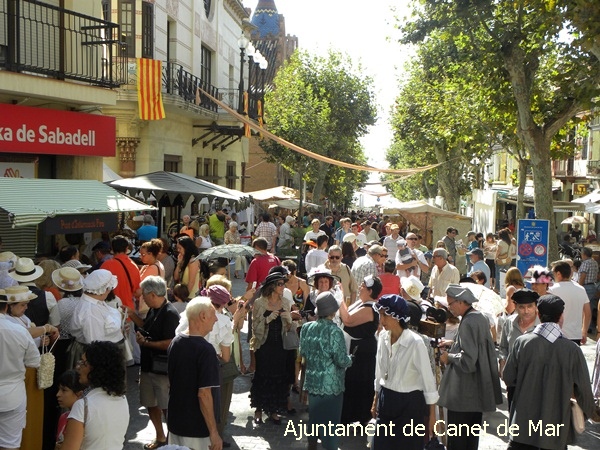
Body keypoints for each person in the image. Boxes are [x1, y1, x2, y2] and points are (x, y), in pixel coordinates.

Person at [503, 294, 594, 450]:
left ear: (538, 314)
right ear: (561, 316)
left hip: (523, 425)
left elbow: (508, 377)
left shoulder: (522, 343)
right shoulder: (572, 350)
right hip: (555, 428)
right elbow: (584, 390)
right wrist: (590, 412)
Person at [438, 284, 502, 450]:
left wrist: (448, 357)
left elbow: (468, 361)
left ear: (461, 302)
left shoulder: (468, 322)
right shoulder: (479, 317)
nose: (449, 308)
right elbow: (476, 347)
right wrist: (453, 343)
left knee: (458, 442)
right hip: (476, 394)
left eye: (450, 304)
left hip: (463, 394)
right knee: (471, 440)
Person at [371, 294, 438, 450]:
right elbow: (379, 371)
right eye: (380, 315)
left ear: (397, 316)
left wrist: (432, 417)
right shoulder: (382, 337)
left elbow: (428, 382)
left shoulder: (415, 343)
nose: (381, 320)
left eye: (385, 315)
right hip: (386, 399)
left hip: (409, 405)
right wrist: (376, 399)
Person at [127, 276, 179, 450]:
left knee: (166, 406)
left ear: (152, 294)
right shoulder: (154, 309)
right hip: (148, 366)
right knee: (150, 403)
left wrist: (146, 343)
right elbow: (146, 326)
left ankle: (172, 440)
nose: (142, 298)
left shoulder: (170, 313)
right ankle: (160, 436)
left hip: (162, 369)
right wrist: (132, 315)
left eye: (144, 295)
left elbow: (170, 342)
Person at [300, 292, 353, 450]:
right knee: (331, 424)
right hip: (331, 385)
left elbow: (303, 353)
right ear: (334, 311)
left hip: (312, 382)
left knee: (314, 419)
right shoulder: (335, 331)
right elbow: (341, 360)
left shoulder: (306, 328)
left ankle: (311, 445)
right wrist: (351, 359)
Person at [167, 297, 222, 450]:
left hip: (175, 422)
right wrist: (214, 432)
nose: (216, 319)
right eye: (213, 314)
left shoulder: (176, 342)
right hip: (196, 429)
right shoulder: (206, 350)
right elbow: (204, 394)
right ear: (203, 316)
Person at [61, 341, 129, 450]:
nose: (78, 367)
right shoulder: (122, 399)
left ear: (97, 369)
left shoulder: (82, 406)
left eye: (84, 363)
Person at [250, 272, 294, 425]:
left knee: (278, 377)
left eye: (283, 284)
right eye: (280, 284)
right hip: (264, 346)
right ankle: (258, 409)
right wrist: (267, 319)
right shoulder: (260, 303)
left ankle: (274, 410)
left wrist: (289, 320)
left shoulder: (286, 302)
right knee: (262, 376)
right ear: (272, 286)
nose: (283, 287)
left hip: (280, 347)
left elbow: (289, 329)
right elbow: (254, 327)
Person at [0, 288, 41, 450]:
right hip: (12, 395)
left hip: (12, 393)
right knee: (10, 444)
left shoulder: (19, 328)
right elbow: (34, 361)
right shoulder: (19, 331)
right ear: (6, 307)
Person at [338, 275, 382, 424]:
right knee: (351, 384)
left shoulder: (370, 308)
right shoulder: (362, 303)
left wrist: (340, 297)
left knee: (358, 384)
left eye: (363, 286)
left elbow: (348, 320)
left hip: (362, 353)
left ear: (370, 291)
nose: (360, 287)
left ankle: (360, 417)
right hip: (355, 349)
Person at [69, 270, 124, 368]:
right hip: (101, 358)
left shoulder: (96, 302)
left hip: (108, 353)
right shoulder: (90, 311)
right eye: (109, 288)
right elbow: (95, 344)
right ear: (104, 290)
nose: (110, 291)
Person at [498, 288, 540, 408]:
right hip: (514, 379)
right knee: (514, 412)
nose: (526, 311)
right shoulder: (509, 323)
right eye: (522, 307)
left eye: (530, 306)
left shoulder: (542, 325)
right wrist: (502, 364)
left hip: (536, 379)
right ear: (516, 307)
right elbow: (503, 347)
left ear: (536, 306)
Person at [549, 260, 591, 345]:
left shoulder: (552, 290)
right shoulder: (581, 289)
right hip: (575, 335)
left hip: (556, 334)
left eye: (553, 274)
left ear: (558, 274)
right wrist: (584, 331)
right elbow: (588, 313)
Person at [54, 370, 84, 449]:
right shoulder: (63, 417)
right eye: (59, 389)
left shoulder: (83, 420)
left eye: (64, 390)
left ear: (79, 394)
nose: (58, 394)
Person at [578, 246, 598, 312]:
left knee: (584, 308)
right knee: (591, 307)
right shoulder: (595, 262)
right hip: (593, 286)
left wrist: (579, 286)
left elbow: (583, 275)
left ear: (584, 254)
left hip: (586, 287)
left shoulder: (585, 263)